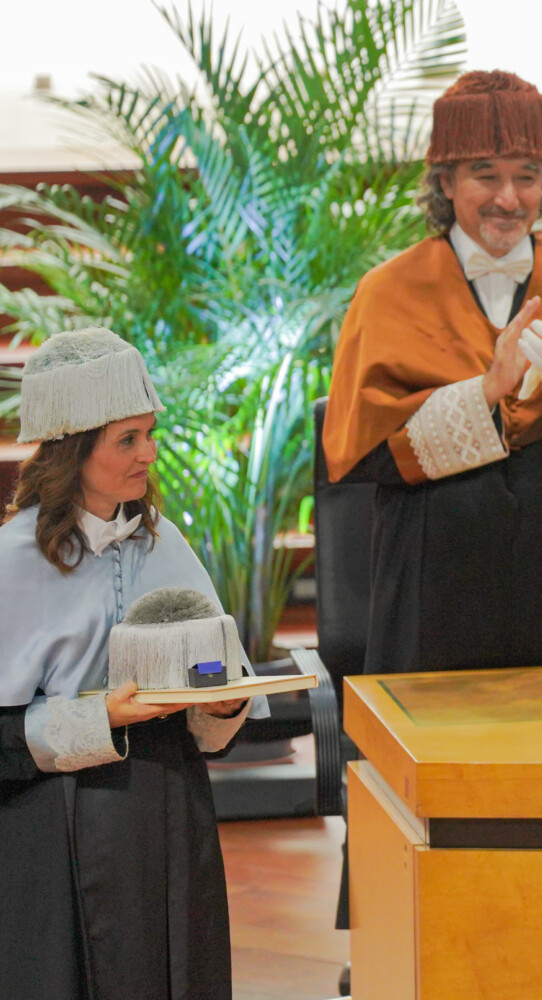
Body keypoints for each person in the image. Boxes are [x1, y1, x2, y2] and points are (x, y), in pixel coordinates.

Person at [323, 69, 542, 675]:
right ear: (447, 182)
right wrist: (485, 391)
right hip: (434, 577)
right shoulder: (387, 292)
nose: (509, 197)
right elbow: (362, 452)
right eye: (486, 175)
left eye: (526, 177)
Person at [0, 328, 262, 1000]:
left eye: (150, 433)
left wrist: (223, 701)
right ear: (73, 448)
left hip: (169, 808)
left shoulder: (163, 542)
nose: (149, 452)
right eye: (128, 439)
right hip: (56, 828)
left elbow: (211, 679)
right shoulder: (13, 562)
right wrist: (100, 716)